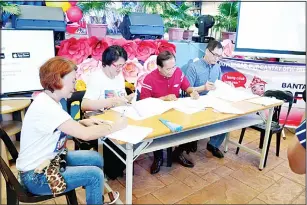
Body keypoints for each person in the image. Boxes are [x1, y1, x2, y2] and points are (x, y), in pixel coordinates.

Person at [16, 57, 127, 205]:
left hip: (49, 160)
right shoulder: (47, 107)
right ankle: (95, 196)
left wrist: (82, 122)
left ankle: (95, 197)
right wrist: (117, 126)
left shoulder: (48, 99)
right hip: (36, 176)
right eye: (73, 81)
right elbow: (85, 135)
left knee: (95, 158)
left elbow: (59, 127)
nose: (75, 86)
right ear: (58, 79)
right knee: (95, 175)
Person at [140, 51, 206, 174]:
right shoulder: (149, 79)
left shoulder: (178, 72)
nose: (172, 71)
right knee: (157, 129)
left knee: (193, 124)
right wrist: (163, 98)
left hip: (176, 112)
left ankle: (178, 152)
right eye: (168, 69)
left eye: (174, 67)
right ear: (159, 67)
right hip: (157, 114)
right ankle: (158, 157)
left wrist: (192, 92)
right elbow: (144, 102)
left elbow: (187, 86)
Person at [185, 40, 226, 159]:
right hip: (196, 102)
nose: (216, 58)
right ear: (207, 51)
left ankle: (213, 144)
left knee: (226, 116)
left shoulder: (217, 67)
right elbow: (188, 89)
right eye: (215, 55)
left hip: (212, 101)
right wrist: (203, 88)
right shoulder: (194, 67)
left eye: (219, 56)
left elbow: (218, 86)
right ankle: (191, 140)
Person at [81, 45, 135, 111]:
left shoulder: (119, 75)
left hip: (117, 114)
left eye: (122, 65)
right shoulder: (96, 77)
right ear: (107, 63)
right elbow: (84, 105)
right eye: (117, 65)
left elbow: (119, 99)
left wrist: (128, 98)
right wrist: (109, 102)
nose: (120, 69)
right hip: (100, 117)